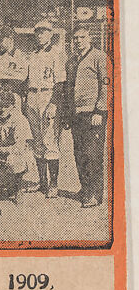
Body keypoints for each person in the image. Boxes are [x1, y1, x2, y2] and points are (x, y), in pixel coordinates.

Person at [64, 26, 109, 208]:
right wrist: (68, 113)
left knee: (93, 154)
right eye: (75, 38)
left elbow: (106, 84)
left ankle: (94, 194)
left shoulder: (99, 56)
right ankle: (85, 188)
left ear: (89, 38)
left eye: (82, 37)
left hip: (93, 113)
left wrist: (99, 110)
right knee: (79, 153)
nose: (78, 41)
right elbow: (68, 88)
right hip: (77, 113)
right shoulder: (72, 60)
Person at [26, 20, 66, 198]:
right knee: (37, 142)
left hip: (48, 95)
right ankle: (42, 182)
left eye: (44, 32)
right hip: (32, 95)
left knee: (50, 141)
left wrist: (54, 103)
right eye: (38, 32)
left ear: (51, 34)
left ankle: (54, 184)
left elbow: (60, 82)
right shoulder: (32, 54)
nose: (40, 35)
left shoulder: (57, 53)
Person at [0, 92, 34, 203]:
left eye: (6, 106)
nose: (2, 109)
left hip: (17, 157)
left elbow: (19, 147)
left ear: (13, 106)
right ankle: (7, 183)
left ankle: (18, 188)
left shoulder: (19, 119)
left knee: (14, 162)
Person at [0, 25, 29, 115]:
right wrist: (9, 74)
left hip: (12, 95)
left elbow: (21, 76)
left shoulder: (20, 56)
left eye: (1, 40)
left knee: (12, 124)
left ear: (10, 39)